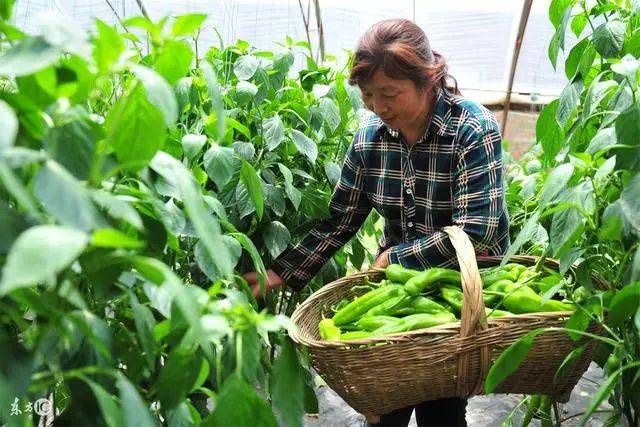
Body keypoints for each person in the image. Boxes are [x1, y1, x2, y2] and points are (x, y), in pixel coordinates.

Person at [244, 18, 509, 427]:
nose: (378, 107)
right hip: (398, 290)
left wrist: (396, 257)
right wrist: (281, 271)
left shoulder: (471, 130)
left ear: (428, 81)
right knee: (385, 399)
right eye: (368, 95)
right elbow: (341, 218)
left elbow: (478, 229)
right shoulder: (370, 136)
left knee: (442, 407)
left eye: (389, 94)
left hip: (461, 289)